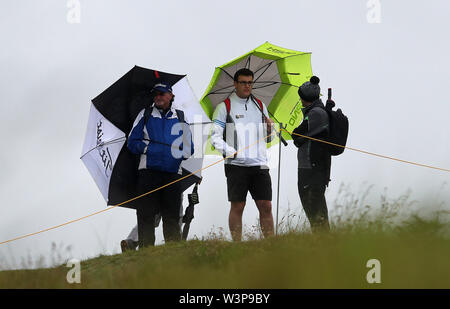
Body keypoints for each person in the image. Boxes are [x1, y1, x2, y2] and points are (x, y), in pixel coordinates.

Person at [210, 68, 275, 241]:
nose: (247, 86)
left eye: (250, 82)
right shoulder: (224, 106)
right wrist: (231, 152)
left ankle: (271, 245)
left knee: (266, 205)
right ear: (235, 84)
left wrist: (270, 130)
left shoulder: (261, 106)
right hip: (236, 165)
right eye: (243, 82)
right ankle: (237, 245)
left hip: (259, 163)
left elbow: (269, 139)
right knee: (238, 206)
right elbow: (214, 137)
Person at [127, 82, 194, 248]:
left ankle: (172, 253)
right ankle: (146, 252)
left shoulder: (180, 116)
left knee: (171, 216)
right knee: (146, 215)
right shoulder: (145, 114)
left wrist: (175, 154)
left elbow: (189, 149)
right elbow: (132, 141)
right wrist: (151, 148)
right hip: (148, 173)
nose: (158, 97)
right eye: (156, 94)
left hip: (172, 173)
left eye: (162, 93)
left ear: (171, 96)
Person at [292, 76, 331, 232]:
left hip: (310, 168)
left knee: (314, 210)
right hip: (317, 168)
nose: (300, 100)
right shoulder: (319, 111)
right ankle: (323, 243)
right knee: (317, 210)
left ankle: (323, 245)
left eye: (301, 97)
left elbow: (297, 135)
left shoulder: (315, 113)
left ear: (305, 98)